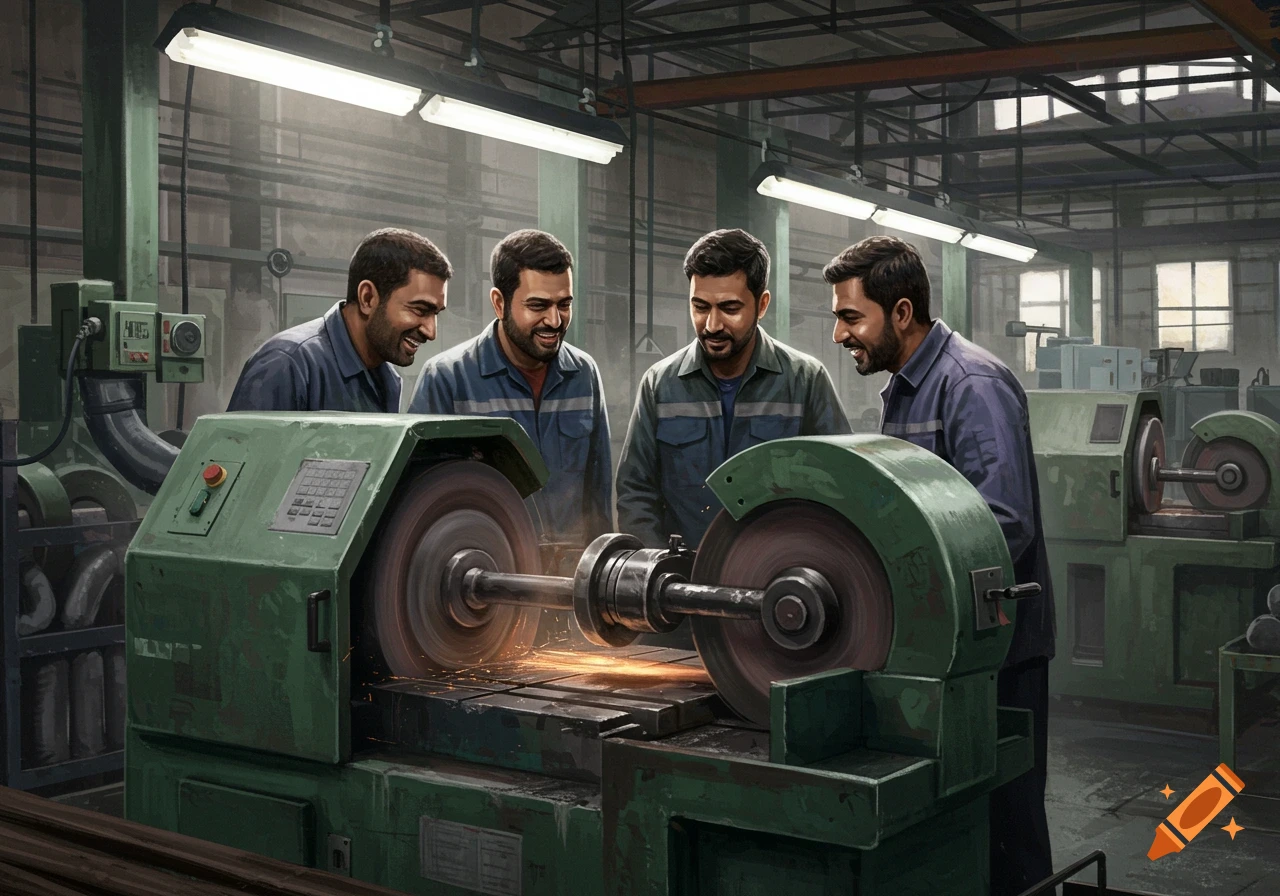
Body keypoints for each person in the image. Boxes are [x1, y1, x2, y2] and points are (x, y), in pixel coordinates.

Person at [826, 235, 1055, 896]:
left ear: (901, 313)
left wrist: (897, 582)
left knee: (1007, 825)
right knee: (955, 822)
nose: (839, 333)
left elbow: (1005, 519)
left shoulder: (970, 383)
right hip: (947, 649)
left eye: (850, 317)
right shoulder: (905, 388)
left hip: (999, 650)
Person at [616, 228, 851, 552]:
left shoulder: (805, 381)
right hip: (680, 585)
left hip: (776, 581)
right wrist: (656, 573)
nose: (712, 325)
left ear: (762, 304)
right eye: (700, 307)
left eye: (729, 308)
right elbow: (635, 492)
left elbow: (839, 487)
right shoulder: (660, 385)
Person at [408, 229, 612, 558]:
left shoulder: (584, 375)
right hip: (487, 575)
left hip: (571, 584)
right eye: (538, 306)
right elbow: (416, 504)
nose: (555, 320)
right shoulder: (448, 379)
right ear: (499, 303)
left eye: (564, 304)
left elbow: (598, 497)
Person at [227, 228, 451, 413]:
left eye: (436, 314)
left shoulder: (387, 379)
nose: (431, 332)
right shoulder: (287, 364)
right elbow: (240, 463)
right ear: (368, 298)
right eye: (420, 310)